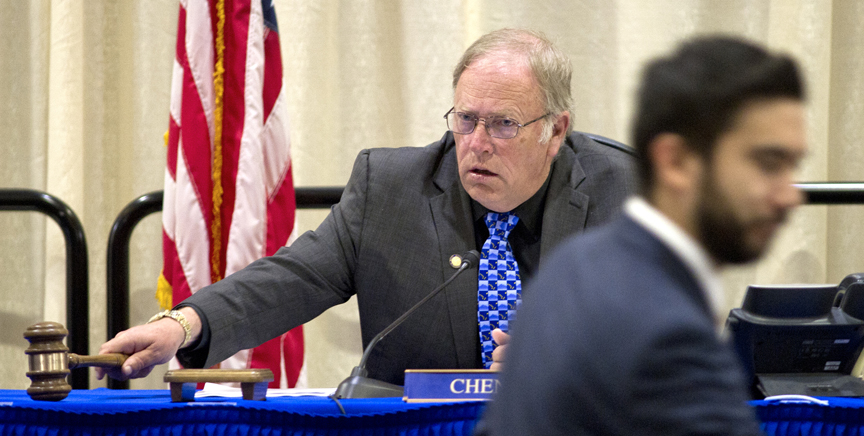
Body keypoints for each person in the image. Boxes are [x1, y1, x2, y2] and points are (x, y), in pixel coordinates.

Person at [96, 28, 636, 386]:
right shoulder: (391, 188)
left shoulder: (625, 194)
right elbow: (294, 277)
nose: (477, 143)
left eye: (504, 124)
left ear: (556, 130)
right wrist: (182, 325)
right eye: (465, 119)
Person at [481, 36, 807, 435]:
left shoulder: (572, 266)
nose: (790, 196)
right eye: (768, 163)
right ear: (677, 162)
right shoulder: (668, 335)